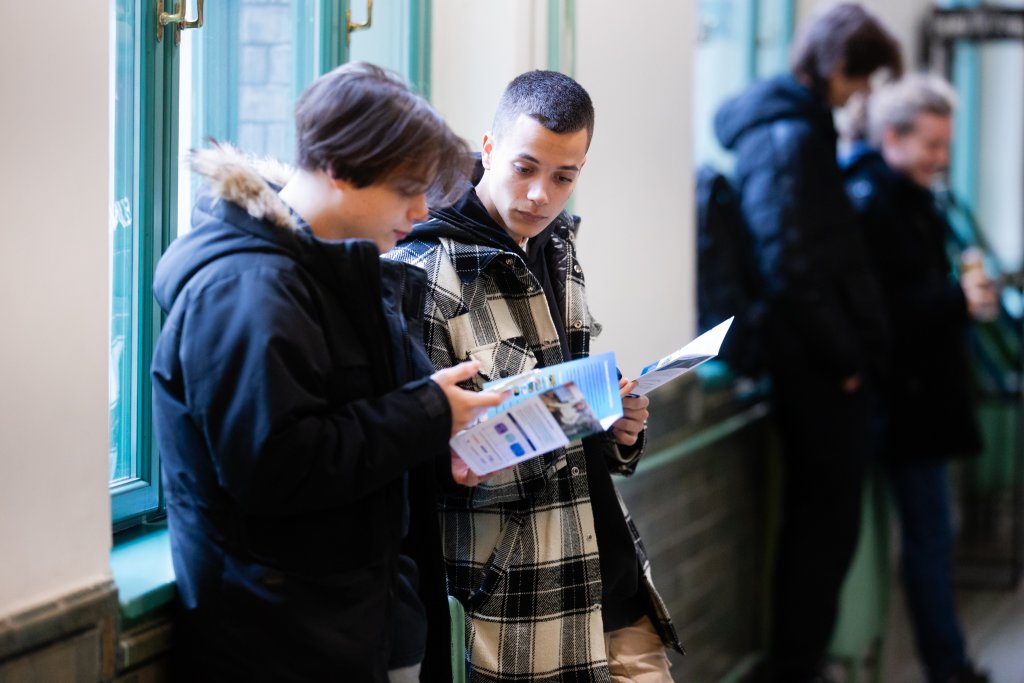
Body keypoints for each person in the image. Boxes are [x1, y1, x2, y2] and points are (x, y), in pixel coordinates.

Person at [150, 62, 505, 682]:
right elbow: (277, 467)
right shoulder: (246, 289)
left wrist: (442, 435)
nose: (422, 211)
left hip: (364, 621)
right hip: (284, 641)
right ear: (340, 171)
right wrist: (427, 413)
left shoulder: (340, 272)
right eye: (405, 190)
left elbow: (364, 432)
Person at [387, 70, 682, 681]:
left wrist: (619, 428)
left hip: (610, 580)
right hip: (520, 601)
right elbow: (421, 462)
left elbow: (579, 411)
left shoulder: (559, 247)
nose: (540, 196)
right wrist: (537, 424)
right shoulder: (424, 269)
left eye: (563, 178)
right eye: (524, 168)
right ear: (489, 147)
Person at [713, 4, 901, 681]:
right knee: (823, 528)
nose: (863, 92)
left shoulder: (795, 131)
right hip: (818, 371)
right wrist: (846, 360)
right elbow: (792, 264)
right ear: (839, 65)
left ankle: (802, 660)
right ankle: (797, 666)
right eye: (862, 76)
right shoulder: (790, 137)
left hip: (817, 364)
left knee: (821, 526)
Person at [842, 74, 995, 683]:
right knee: (929, 537)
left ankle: (945, 661)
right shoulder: (876, 203)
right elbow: (888, 312)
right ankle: (947, 667)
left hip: (917, 397)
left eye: (945, 146)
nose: (940, 159)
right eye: (931, 145)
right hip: (907, 400)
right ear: (892, 136)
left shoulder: (903, 199)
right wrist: (957, 300)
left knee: (931, 535)